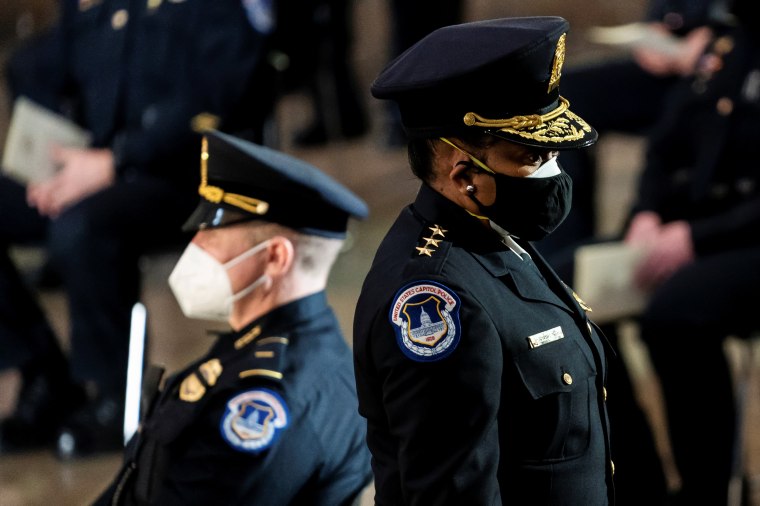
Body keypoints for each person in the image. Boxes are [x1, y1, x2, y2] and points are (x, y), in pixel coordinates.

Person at [353, 17, 616, 504]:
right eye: (533, 157)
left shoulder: (490, 231)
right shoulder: (440, 299)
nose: (555, 172)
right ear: (462, 174)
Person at [0, 0, 277, 459]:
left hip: (188, 178)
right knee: (68, 212)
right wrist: (49, 153)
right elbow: (40, 63)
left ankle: (114, 399)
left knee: (82, 226)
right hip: (96, 168)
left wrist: (118, 160)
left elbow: (219, 93)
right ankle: (43, 375)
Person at [93, 130, 372, 505]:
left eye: (212, 235)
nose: (194, 248)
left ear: (275, 258)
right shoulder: (274, 347)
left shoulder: (269, 399)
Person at [617, 4, 760, 503]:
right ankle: (635, 484)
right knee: (566, 300)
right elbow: (665, 144)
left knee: (675, 315)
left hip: (743, 240)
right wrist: (646, 212)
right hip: (689, 229)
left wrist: (695, 240)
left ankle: (707, 489)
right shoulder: (726, 43)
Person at [535, 0, 725, 264]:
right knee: (561, 101)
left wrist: (718, 37)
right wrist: (655, 29)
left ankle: (653, 223)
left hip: (724, 64)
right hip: (671, 60)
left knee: (682, 111)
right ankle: (562, 247)